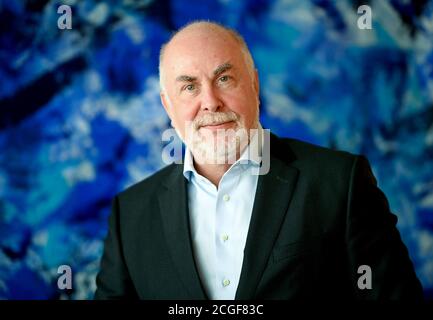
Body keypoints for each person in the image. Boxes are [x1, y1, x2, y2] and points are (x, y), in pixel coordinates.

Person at [94, 21, 423, 300]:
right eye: (189, 87)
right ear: (168, 106)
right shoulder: (131, 215)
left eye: (224, 79)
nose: (210, 102)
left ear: (254, 84)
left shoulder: (340, 183)